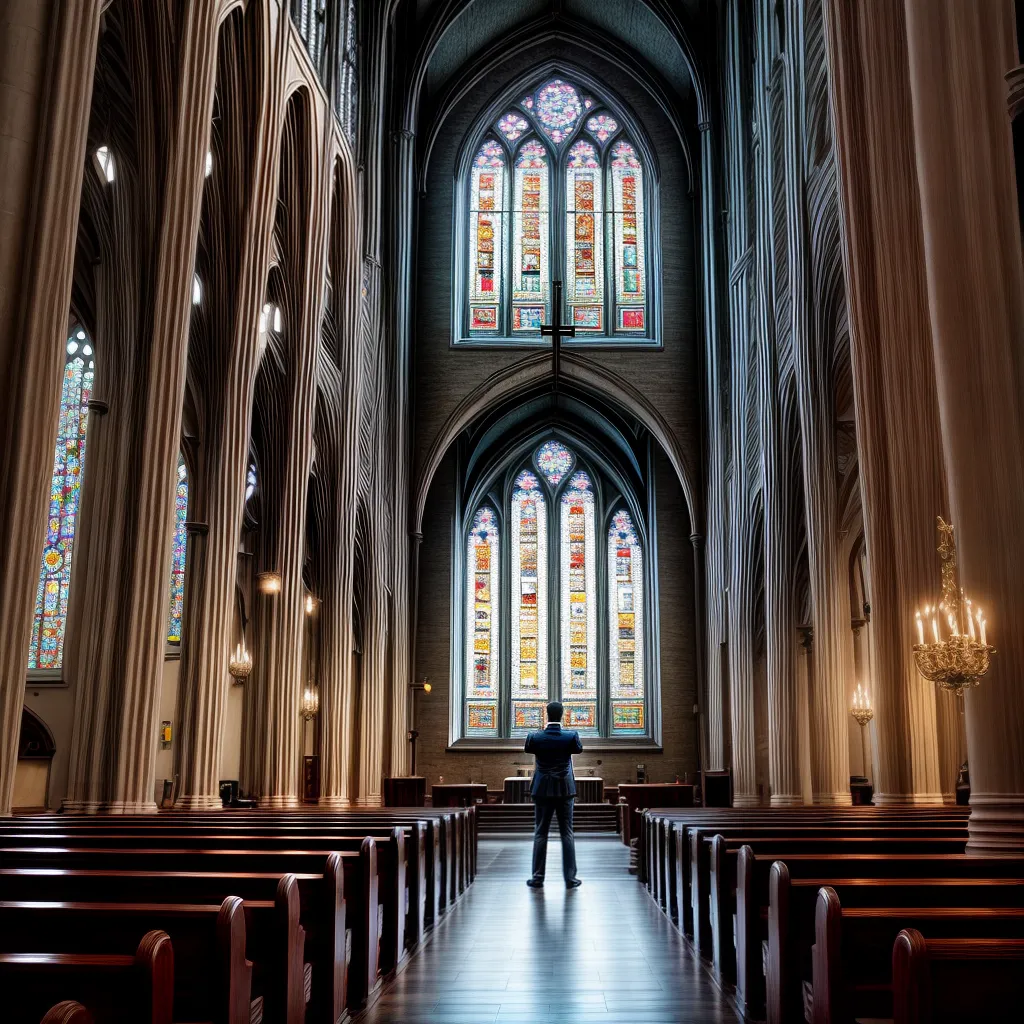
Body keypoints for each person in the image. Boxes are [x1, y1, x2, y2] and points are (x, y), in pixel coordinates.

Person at [524, 700, 583, 889]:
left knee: (540, 832)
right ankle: (570, 879)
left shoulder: (535, 737)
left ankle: (537, 877)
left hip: (542, 790)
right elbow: (579, 749)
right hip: (565, 790)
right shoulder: (570, 736)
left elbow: (528, 748)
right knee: (567, 833)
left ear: (546, 715)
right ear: (562, 714)